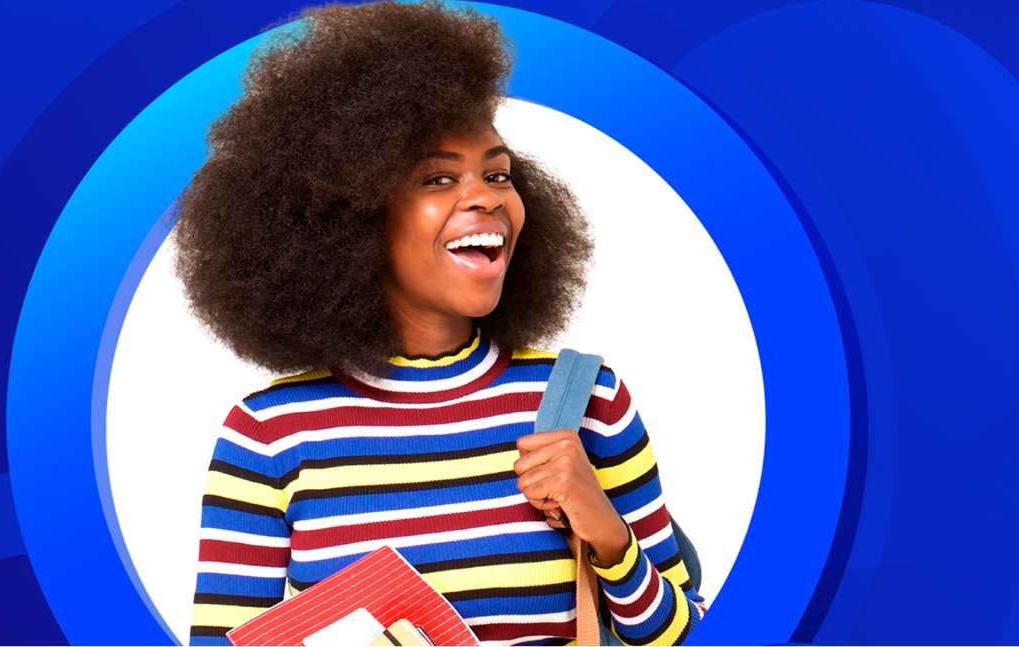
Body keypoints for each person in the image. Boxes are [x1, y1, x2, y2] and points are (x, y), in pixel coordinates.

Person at [175, 2, 705, 644]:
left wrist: (606, 531)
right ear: (351, 217)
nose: (485, 195)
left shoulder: (583, 398)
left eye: (497, 173)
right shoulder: (269, 435)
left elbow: (694, 633)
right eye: (438, 177)